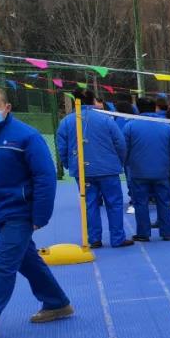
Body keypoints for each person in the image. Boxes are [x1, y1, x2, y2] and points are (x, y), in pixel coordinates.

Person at [0, 85, 73, 338]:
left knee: (2, 264)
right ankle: (57, 302)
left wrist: (40, 215)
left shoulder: (26, 136)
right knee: (26, 260)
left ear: (6, 108)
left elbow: (45, 176)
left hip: (20, 213)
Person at [54, 90, 132, 249]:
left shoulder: (67, 122)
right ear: (93, 101)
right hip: (108, 169)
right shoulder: (106, 119)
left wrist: (70, 164)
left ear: (75, 101)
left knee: (89, 203)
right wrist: (119, 162)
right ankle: (117, 238)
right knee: (114, 203)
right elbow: (120, 143)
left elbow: (61, 147)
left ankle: (94, 238)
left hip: (83, 170)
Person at [123, 97, 170, 242]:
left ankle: (143, 233)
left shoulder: (130, 126)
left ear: (138, 109)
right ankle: (167, 232)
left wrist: (128, 164)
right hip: (162, 172)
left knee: (140, 203)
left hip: (138, 172)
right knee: (164, 201)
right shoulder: (166, 126)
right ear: (154, 108)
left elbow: (124, 149)